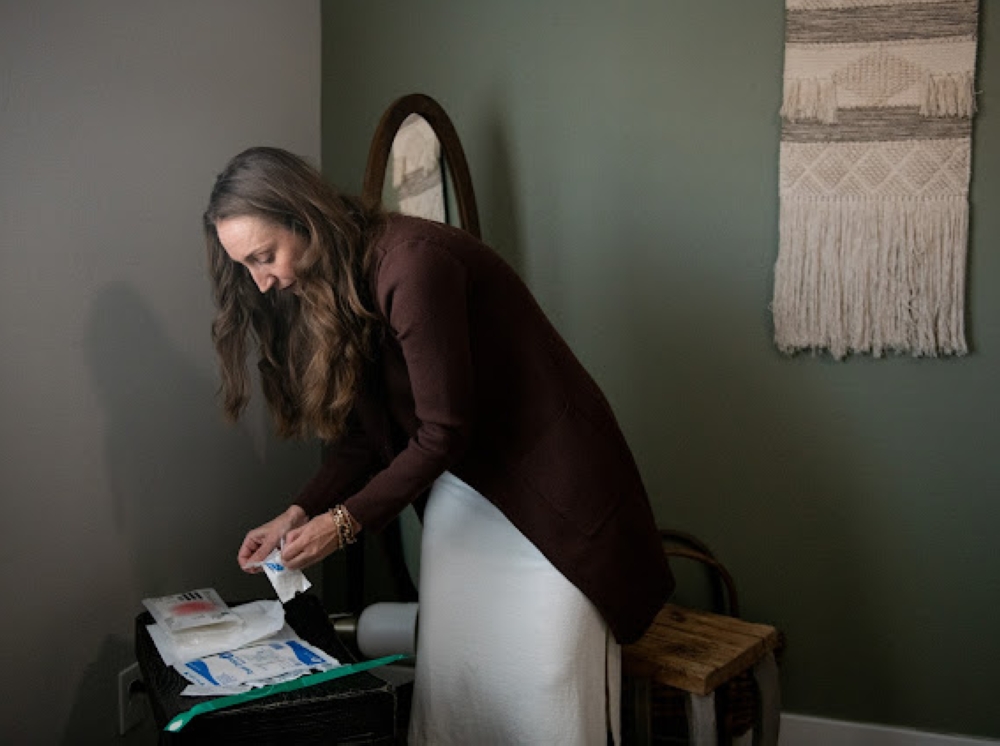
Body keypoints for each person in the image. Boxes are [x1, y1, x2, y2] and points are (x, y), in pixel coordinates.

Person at [203, 146, 673, 745]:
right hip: (464, 486)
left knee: (544, 686)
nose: (261, 281)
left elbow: (444, 430)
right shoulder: (331, 280)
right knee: (463, 686)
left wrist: (343, 524)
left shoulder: (412, 263)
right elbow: (364, 437)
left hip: (552, 487)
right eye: (245, 266)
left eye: (264, 257)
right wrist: (299, 512)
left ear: (304, 217)